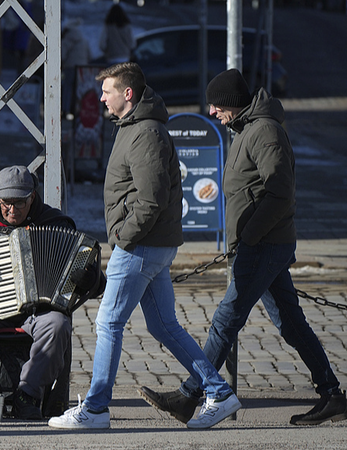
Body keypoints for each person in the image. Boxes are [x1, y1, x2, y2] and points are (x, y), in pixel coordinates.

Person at [138, 68, 347, 426]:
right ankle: (332, 395)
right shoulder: (248, 129)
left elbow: (280, 193)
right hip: (263, 243)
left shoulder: (264, 131)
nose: (212, 112)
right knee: (291, 323)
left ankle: (191, 395)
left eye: (216, 106)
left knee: (225, 319)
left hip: (263, 244)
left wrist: (249, 235)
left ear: (233, 103)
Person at [48, 63, 240, 430]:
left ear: (128, 93)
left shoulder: (146, 132)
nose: (101, 98)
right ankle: (218, 391)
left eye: (107, 91)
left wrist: (124, 236)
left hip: (140, 246)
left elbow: (151, 199)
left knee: (108, 322)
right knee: (164, 326)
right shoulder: (133, 127)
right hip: (149, 245)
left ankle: (96, 409)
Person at [0, 165, 105, 420]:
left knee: (58, 324)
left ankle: (28, 394)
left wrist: (90, 279)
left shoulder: (55, 223)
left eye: (19, 203)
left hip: (39, 311)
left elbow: (98, 284)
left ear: (32, 197)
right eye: (6, 203)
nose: (12, 210)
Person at [61, 18, 92, 115]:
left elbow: (62, 55)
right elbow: (90, 55)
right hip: (82, 68)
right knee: (79, 89)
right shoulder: (84, 40)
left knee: (67, 89)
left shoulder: (66, 40)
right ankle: (78, 110)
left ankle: (65, 110)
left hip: (69, 67)